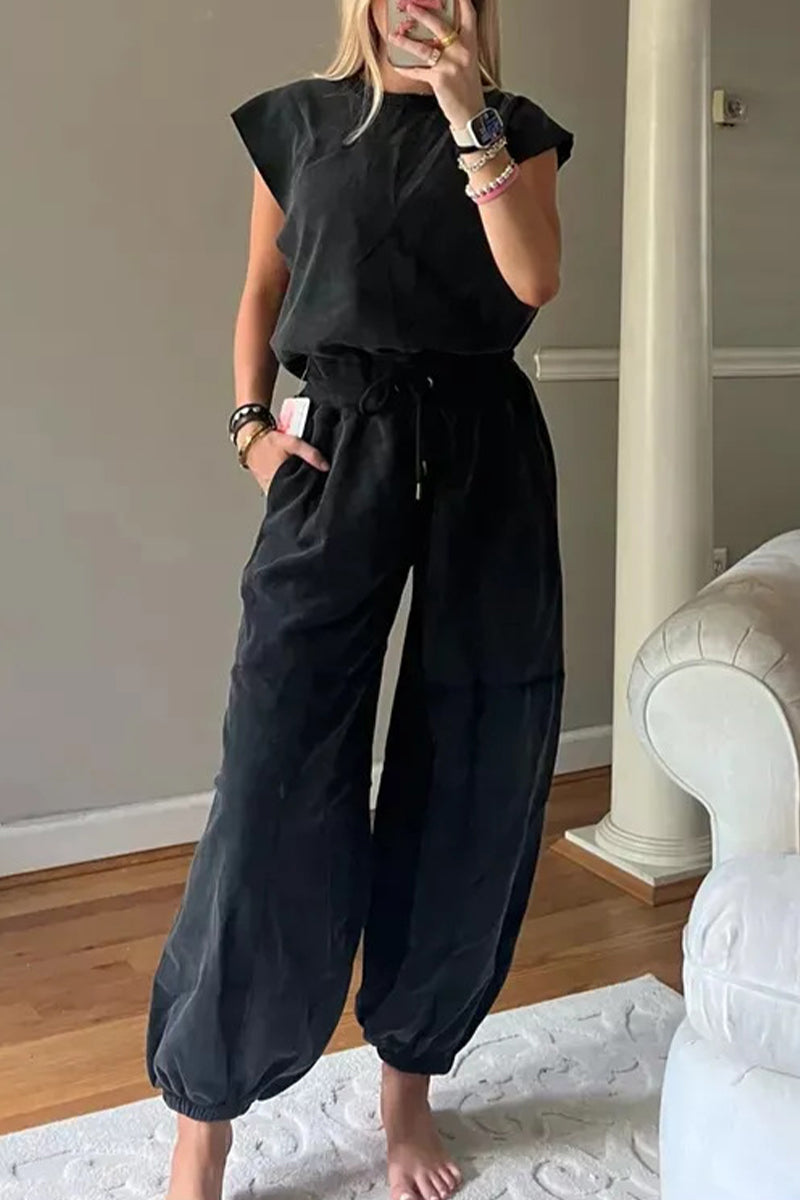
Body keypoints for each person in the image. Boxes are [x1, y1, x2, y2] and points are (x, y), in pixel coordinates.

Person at [147, 0, 573, 1197]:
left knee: (475, 762)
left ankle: (406, 1091)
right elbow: (261, 286)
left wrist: (467, 116)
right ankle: (205, 1115)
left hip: (484, 451)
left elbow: (533, 277)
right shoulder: (296, 122)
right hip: (336, 442)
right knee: (273, 762)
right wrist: (249, 429)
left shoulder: (516, 127)